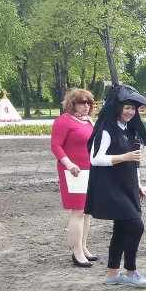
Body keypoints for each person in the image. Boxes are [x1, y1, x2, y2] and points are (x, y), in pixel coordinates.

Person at [85, 84, 146, 288]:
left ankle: (113, 273)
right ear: (117, 107)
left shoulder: (128, 130)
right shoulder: (106, 130)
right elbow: (95, 159)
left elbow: (134, 162)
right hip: (112, 188)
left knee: (121, 230)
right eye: (127, 107)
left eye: (133, 108)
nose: (130, 112)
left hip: (127, 186)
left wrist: (139, 184)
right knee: (136, 226)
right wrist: (124, 157)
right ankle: (131, 271)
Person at [51, 87, 97, 267]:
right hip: (73, 171)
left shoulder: (89, 122)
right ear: (72, 104)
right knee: (77, 211)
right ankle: (77, 251)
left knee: (87, 212)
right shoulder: (63, 121)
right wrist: (69, 164)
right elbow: (56, 146)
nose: (86, 106)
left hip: (89, 170)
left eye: (88, 103)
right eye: (81, 103)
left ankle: (83, 247)